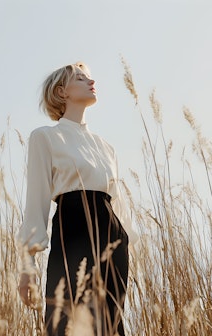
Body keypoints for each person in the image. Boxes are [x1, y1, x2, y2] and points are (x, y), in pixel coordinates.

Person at [17, 62, 135, 335]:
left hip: (112, 238)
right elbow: (36, 202)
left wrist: (126, 244)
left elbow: (119, 205)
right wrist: (28, 265)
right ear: (61, 91)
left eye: (90, 78)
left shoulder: (107, 147)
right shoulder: (45, 138)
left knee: (109, 325)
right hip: (72, 229)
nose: (90, 82)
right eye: (80, 78)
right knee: (65, 320)